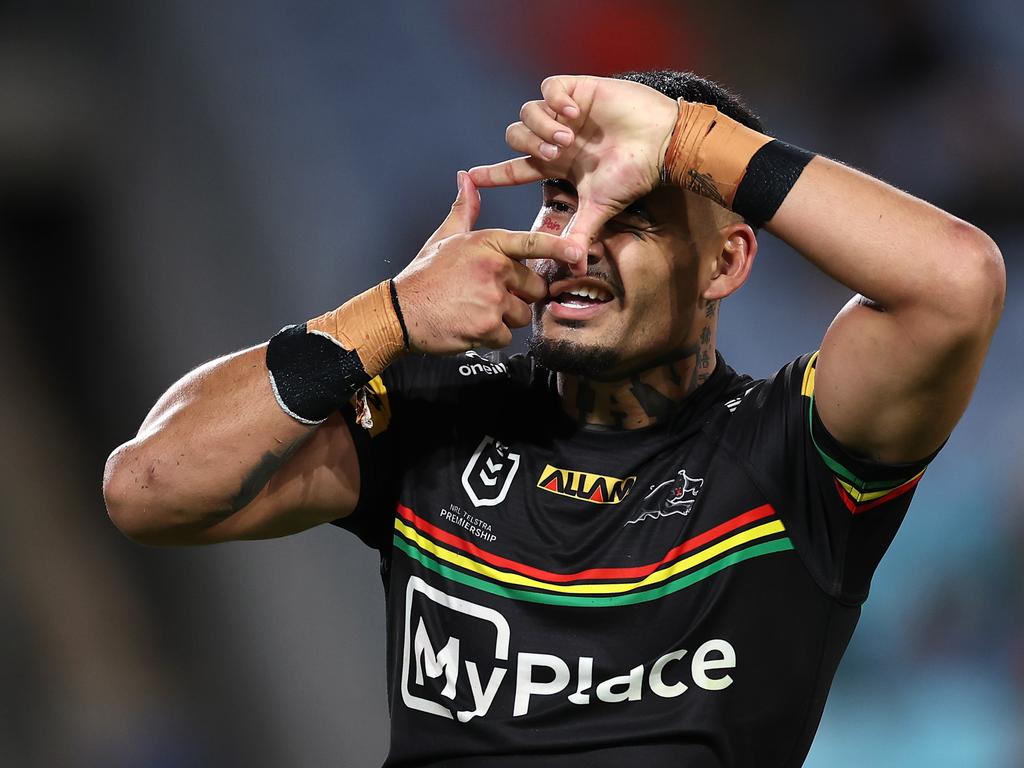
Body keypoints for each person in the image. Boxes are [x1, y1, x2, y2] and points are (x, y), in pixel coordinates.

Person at [103, 70, 1004, 767]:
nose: (575, 242)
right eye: (565, 199)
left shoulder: (792, 454)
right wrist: (383, 317)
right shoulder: (437, 411)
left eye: (633, 215)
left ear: (725, 266)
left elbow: (956, 283)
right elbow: (151, 490)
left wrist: (690, 140)